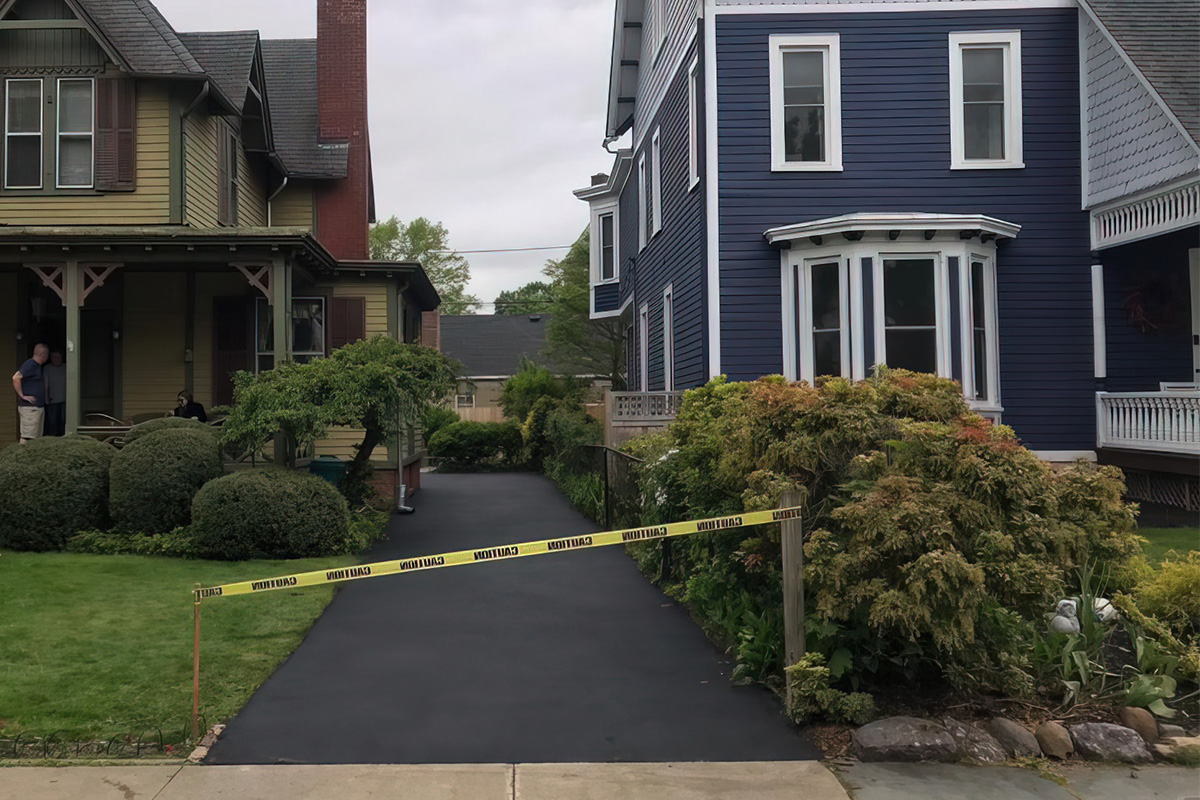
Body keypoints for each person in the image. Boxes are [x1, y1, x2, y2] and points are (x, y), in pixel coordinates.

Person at [12, 343, 48, 444]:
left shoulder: (37, 366)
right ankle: (22, 458)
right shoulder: (30, 364)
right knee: (28, 437)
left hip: (37, 407)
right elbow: (16, 377)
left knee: (36, 437)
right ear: (43, 354)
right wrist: (22, 395)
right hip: (30, 408)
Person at [43, 350, 66, 437]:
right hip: (52, 399)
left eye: (58, 357)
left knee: (63, 420)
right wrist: (46, 399)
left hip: (65, 399)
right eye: (54, 357)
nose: (56, 359)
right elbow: (45, 384)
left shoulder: (66, 367)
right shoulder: (47, 368)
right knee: (52, 421)